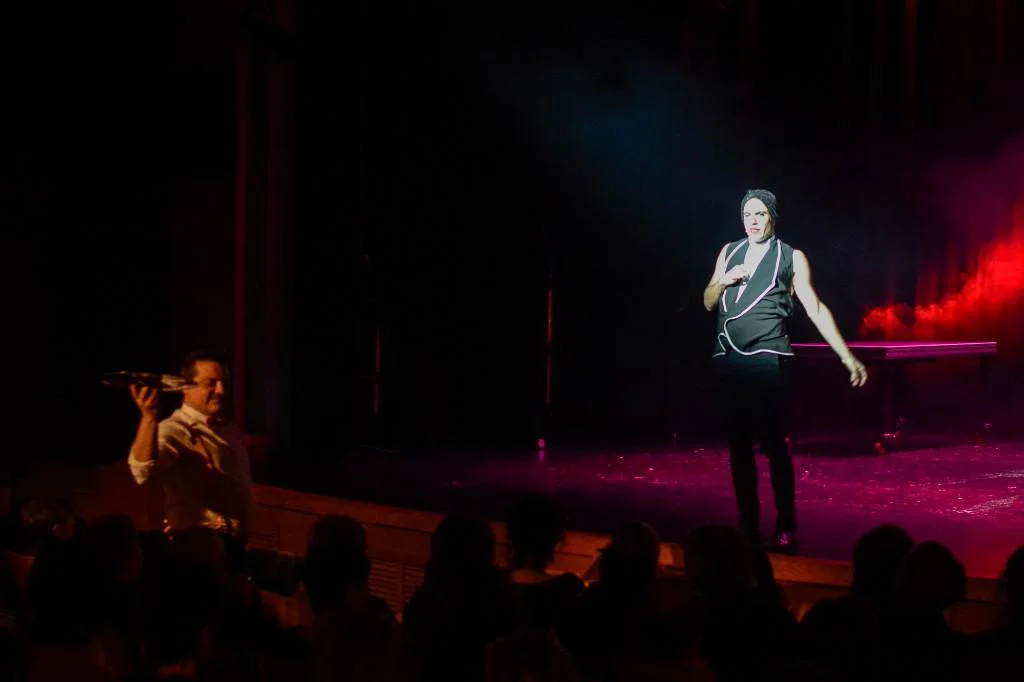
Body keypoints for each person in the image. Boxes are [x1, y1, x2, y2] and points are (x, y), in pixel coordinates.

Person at [703, 189, 867, 551]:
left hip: (767, 357)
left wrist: (847, 356)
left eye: (760, 214)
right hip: (729, 355)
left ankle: (786, 525)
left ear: (773, 217)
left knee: (774, 445)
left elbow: (815, 308)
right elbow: (708, 301)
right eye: (747, 214)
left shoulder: (790, 256)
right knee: (739, 448)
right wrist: (723, 280)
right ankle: (747, 526)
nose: (753, 221)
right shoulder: (728, 252)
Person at [126, 350, 253, 562]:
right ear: (185, 387)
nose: (221, 391)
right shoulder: (175, 430)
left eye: (225, 383)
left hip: (232, 550)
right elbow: (141, 470)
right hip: (197, 555)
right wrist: (148, 418)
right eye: (211, 383)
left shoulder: (229, 430)